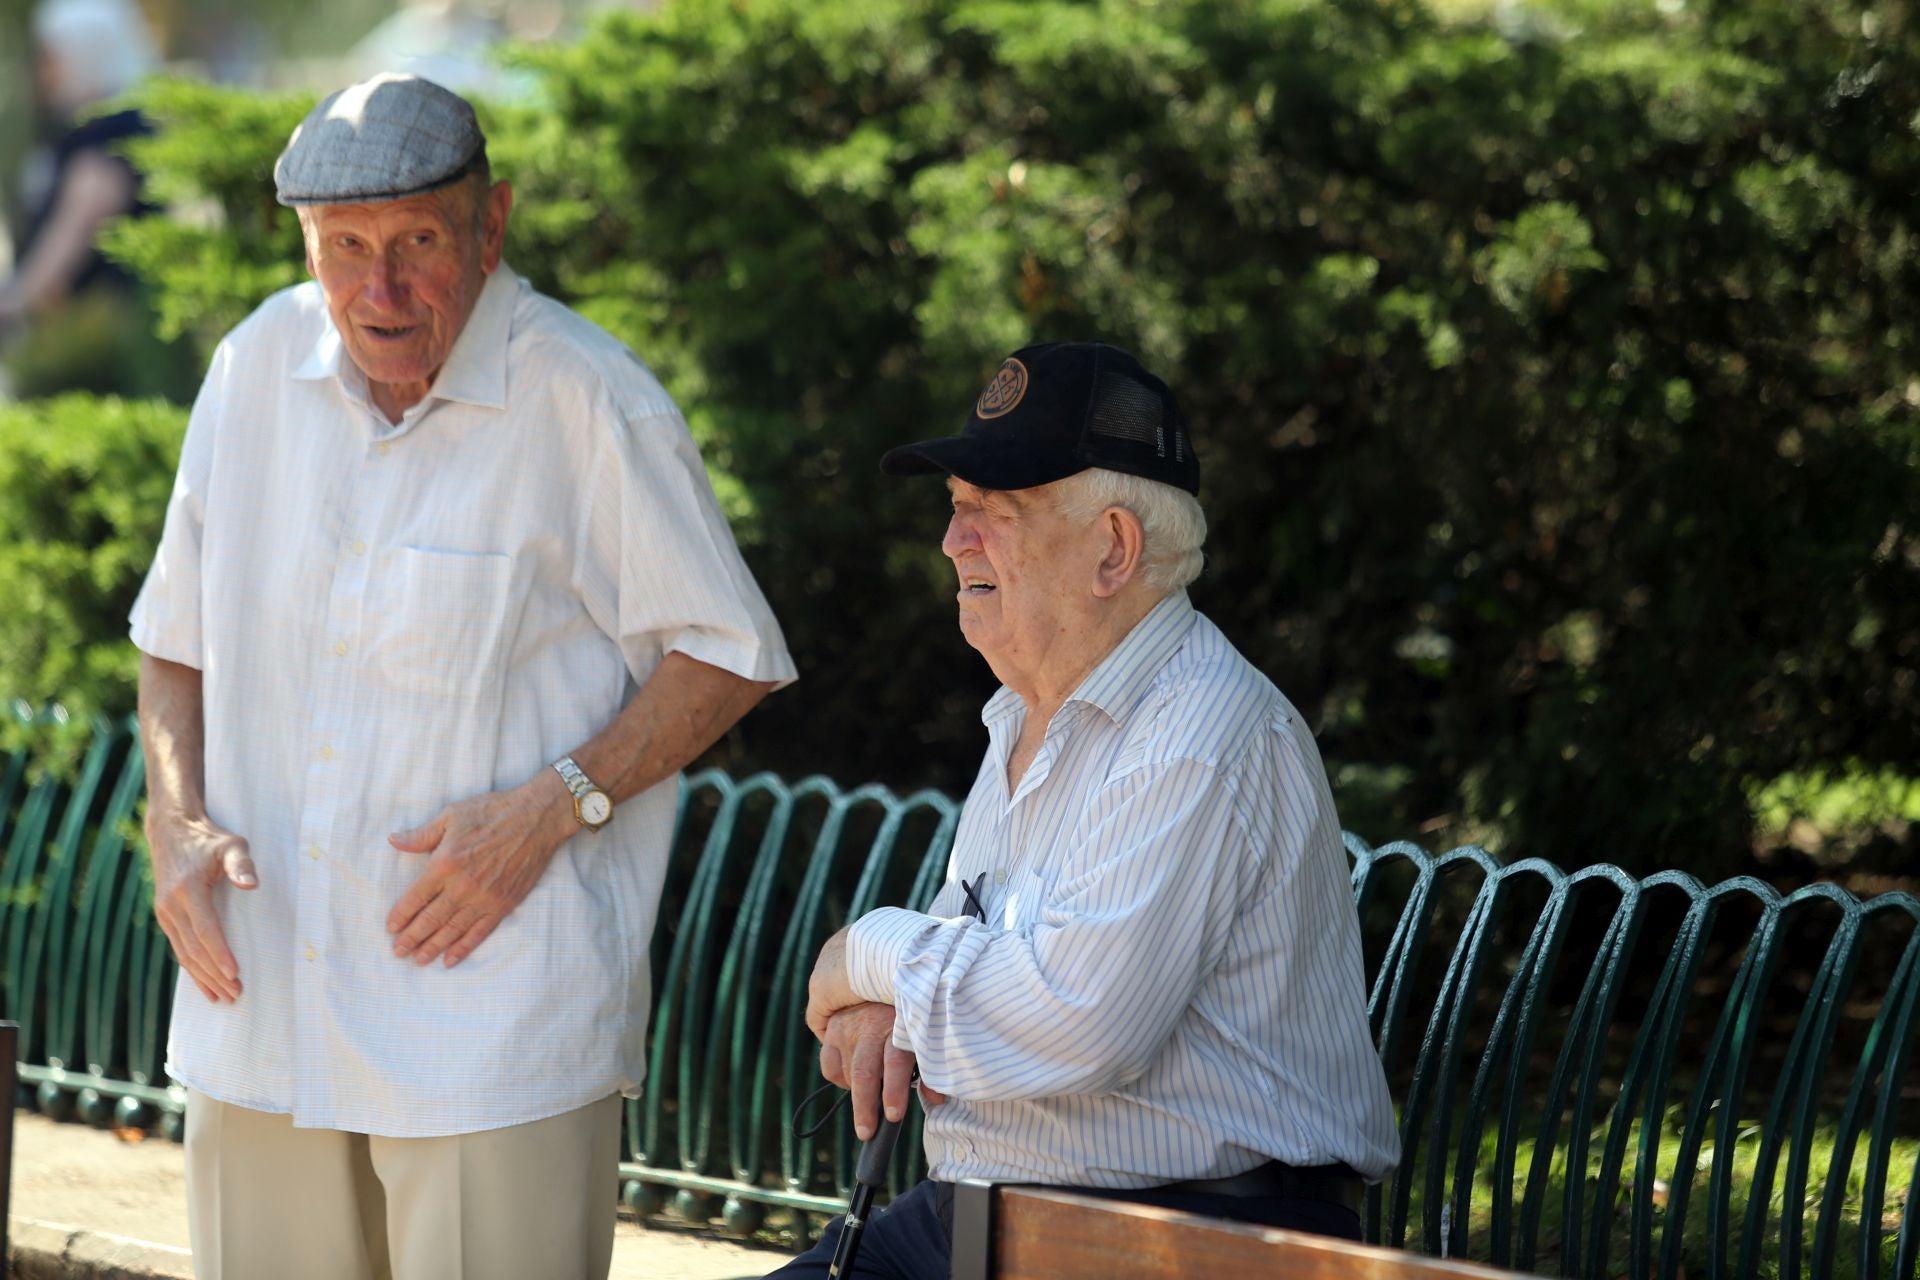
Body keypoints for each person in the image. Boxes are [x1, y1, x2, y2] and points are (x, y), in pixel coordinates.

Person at [130, 73, 795, 1280]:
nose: (378, 291)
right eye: (345, 250)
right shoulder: (249, 370)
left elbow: (730, 653)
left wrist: (551, 810)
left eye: (419, 243)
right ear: (307, 245)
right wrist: (171, 816)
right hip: (260, 1003)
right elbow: (174, 636)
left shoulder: (588, 399)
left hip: (490, 1030)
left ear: (493, 225)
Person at [783, 342, 1400, 1277]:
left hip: (1183, 1242)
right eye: (956, 508)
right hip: (984, 1225)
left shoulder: (1201, 727)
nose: (955, 541)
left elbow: (1075, 1020)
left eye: (997, 511)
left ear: (1115, 548)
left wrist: (864, 951)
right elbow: (975, 968)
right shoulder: (1026, 715)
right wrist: (892, 1004)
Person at [0, 0, 168, 396]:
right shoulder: (86, 126)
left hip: (104, 348)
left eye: (54, 59)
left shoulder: (111, 133)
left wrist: (14, 302)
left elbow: (72, 232)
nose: (47, 74)